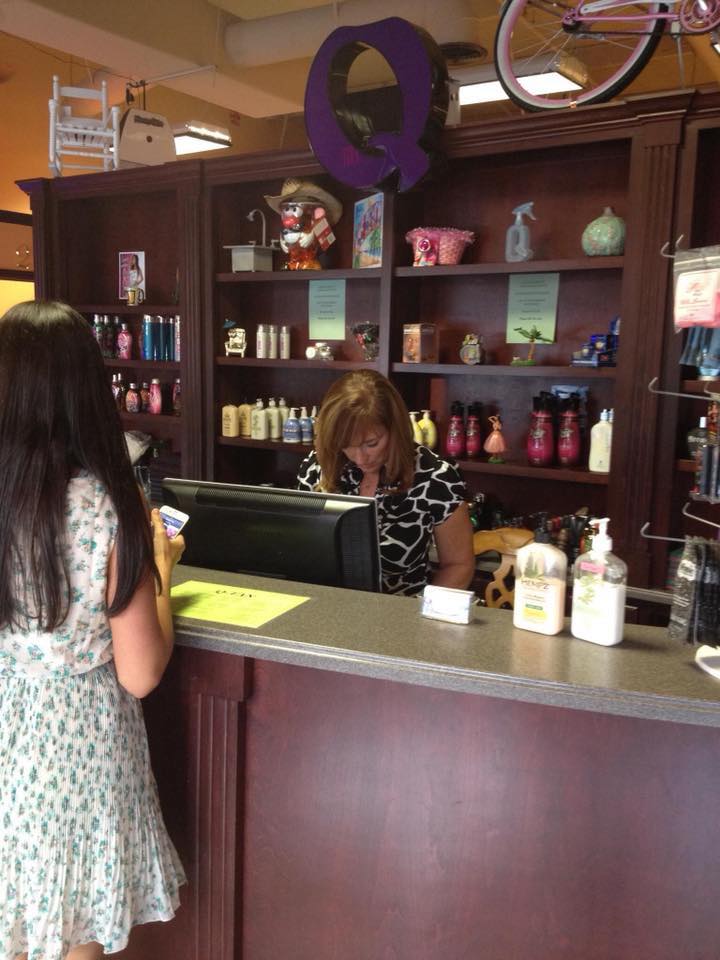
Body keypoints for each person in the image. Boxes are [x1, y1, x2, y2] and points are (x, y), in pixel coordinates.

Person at [0, 301, 186, 960]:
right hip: (78, 744)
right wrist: (161, 574)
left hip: (8, 723)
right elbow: (141, 672)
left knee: (16, 915)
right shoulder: (109, 505)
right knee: (77, 927)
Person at [297, 370, 475, 596]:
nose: (360, 458)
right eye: (346, 445)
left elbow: (459, 565)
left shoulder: (436, 476)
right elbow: (301, 548)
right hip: (324, 602)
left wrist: (422, 612)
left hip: (402, 608)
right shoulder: (319, 465)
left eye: (371, 443)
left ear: (395, 429)